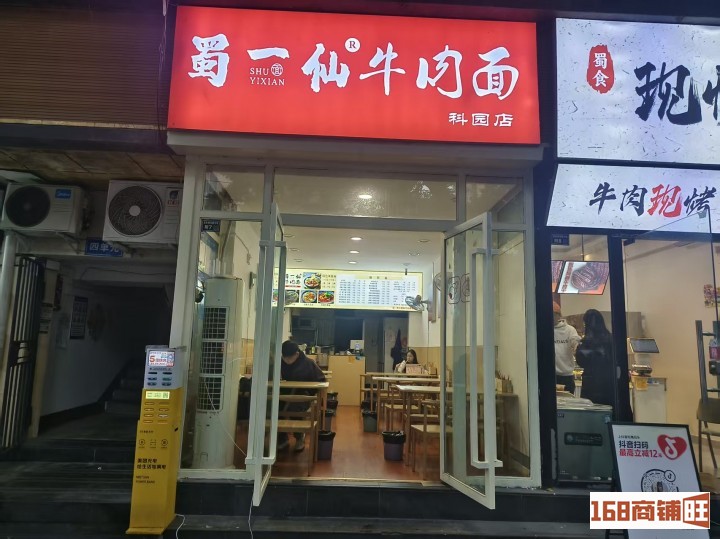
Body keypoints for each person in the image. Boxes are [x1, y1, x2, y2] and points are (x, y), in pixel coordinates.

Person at [278, 340, 326, 452]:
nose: (287, 360)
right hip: (283, 394)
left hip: (302, 395)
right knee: (275, 407)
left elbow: (321, 381)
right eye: (284, 358)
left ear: (297, 354)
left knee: (294, 407)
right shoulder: (279, 363)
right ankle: (281, 438)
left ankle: (299, 437)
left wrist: (310, 392)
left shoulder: (308, 363)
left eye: (290, 358)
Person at [575, 309, 615, 406]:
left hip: (591, 384)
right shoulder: (610, 338)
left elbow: (580, 361)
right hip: (608, 383)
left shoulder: (586, 341)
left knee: (591, 412)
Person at [554, 302, 581, 394]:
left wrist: (576, 346)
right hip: (549, 375)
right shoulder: (544, 329)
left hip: (566, 376)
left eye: (553, 314)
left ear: (559, 316)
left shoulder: (569, 330)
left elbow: (575, 340)